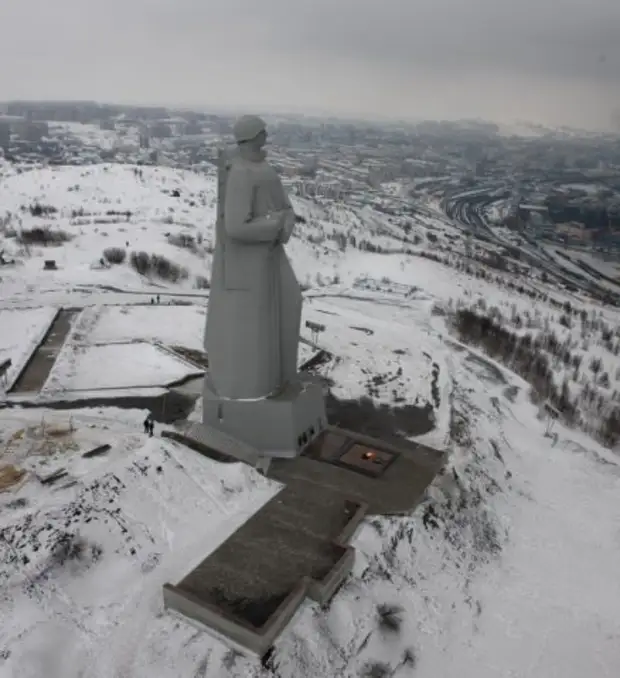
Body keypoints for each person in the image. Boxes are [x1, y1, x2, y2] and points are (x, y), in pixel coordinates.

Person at [204, 114, 300, 400]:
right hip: (248, 268)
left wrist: (286, 220)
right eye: (262, 131)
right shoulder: (242, 174)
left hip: (268, 259)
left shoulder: (265, 169)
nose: (266, 135)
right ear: (253, 135)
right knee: (252, 332)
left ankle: (272, 381)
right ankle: (252, 389)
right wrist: (274, 225)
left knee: (281, 312)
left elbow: (286, 208)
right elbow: (235, 227)